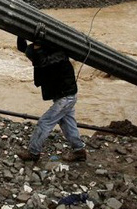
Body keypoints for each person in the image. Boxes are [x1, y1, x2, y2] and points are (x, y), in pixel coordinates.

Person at [16, 22, 86, 163]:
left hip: (66, 96)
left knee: (45, 122)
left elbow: (41, 61)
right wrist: (21, 33)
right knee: (68, 124)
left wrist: (37, 43)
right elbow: (23, 48)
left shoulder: (59, 54)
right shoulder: (44, 51)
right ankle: (79, 151)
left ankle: (33, 153)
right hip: (62, 95)